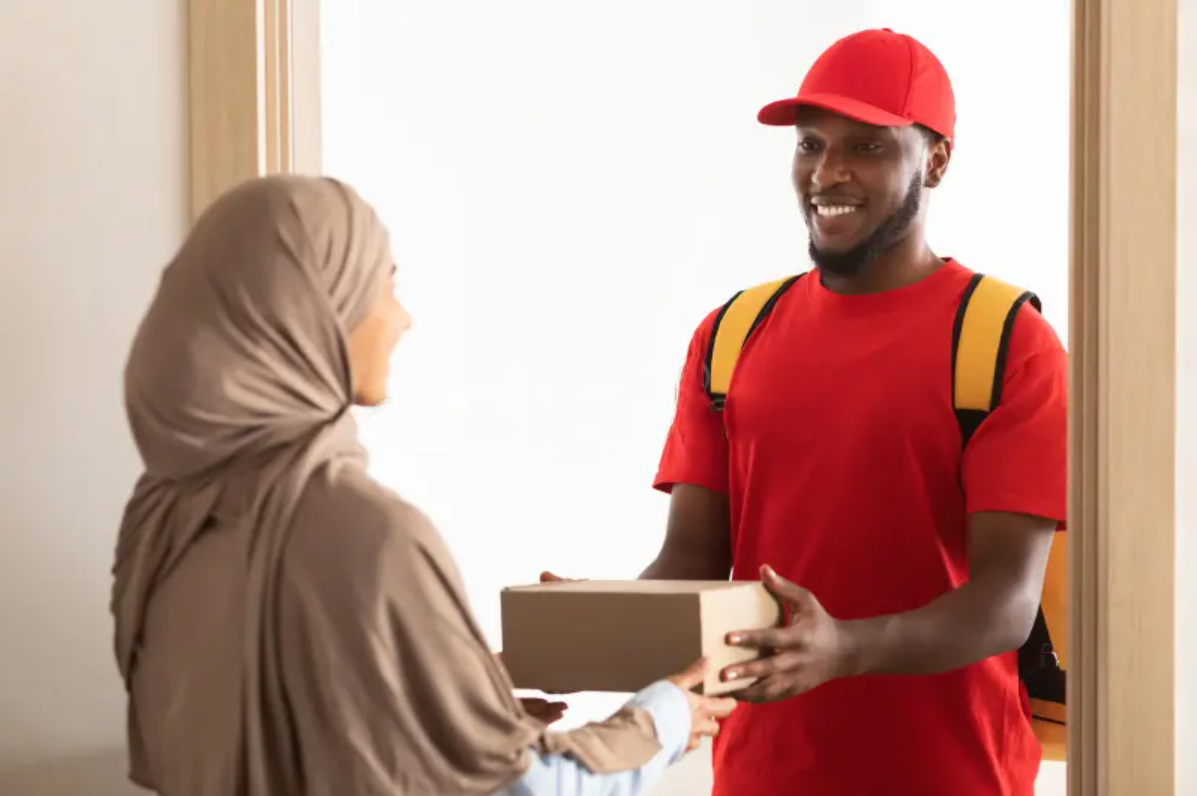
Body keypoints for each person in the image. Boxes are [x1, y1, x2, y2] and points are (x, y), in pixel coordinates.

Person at [544, 28, 1068, 796]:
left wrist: (844, 648)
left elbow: (1002, 605)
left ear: (935, 160)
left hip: (954, 777)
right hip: (760, 775)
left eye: (865, 146)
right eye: (811, 145)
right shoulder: (730, 336)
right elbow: (693, 563)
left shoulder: (1001, 341)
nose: (828, 172)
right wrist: (586, 625)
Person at [109, 174, 736, 796]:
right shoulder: (363, 532)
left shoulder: (160, 522)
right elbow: (528, 790)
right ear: (315, 304)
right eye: (384, 284)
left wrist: (460, 700)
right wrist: (665, 720)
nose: (401, 318)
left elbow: (293, 712)